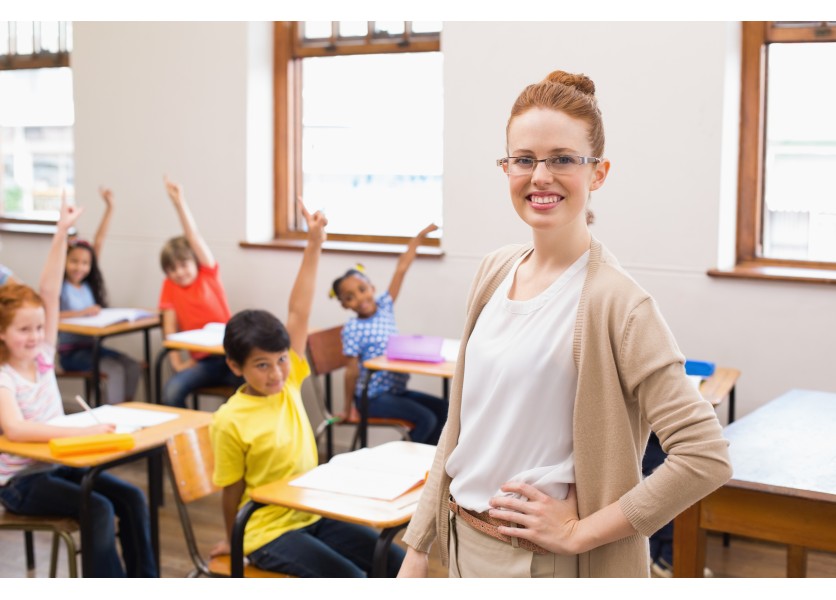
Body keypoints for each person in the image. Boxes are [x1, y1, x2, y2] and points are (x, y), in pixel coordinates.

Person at [397, 70, 732, 578]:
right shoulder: (493, 271)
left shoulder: (619, 303)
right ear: (506, 167)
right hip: (460, 543)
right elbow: (461, 426)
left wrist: (580, 532)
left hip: (542, 563)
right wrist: (418, 549)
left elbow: (705, 455)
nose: (540, 176)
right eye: (524, 159)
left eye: (562, 159)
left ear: (598, 173)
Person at [209, 203, 405, 577]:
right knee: (354, 580)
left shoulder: (289, 380)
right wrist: (234, 540)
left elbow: (298, 312)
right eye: (261, 365)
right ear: (235, 366)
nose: (275, 374)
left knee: (396, 564)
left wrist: (314, 242)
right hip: (267, 532)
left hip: (310, 511)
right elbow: (231, 492)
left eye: (281, 359)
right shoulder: (229, 420)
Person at [0, 196, 157, 578]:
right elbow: (15, 430)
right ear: (2, 333)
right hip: (20, 483)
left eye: (39, 328)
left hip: (57, 464)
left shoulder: (42, 356)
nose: (35, 336)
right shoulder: (4, 375)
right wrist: (82, 431)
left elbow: (49, 292)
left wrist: (60, 235)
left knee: (133, 497)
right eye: (23, 330)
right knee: (99, 509)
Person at [331, 223, 448, 445]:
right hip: (372, 397)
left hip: (396, 390)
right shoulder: (353, 329)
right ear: (344, 305)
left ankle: (429, 461)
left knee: (445, 409)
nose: (360, 298)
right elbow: (351, 371)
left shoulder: (385, 306)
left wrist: (419, 237)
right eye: (350, 297)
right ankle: (407, 460)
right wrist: (349, 408)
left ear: (372, 288)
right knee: (427, 420)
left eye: (362, 290)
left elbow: (401, 268)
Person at [158, 176, 242, 407]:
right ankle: (185, 431)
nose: (179, 272)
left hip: (231, 357)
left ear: (195, 262)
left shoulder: (208, 274)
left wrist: (179, 203)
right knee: (172, 391)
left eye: (183, 265)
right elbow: (169, 327)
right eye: (172, 269)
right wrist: (177, 362)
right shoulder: (169, 286)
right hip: (204, 362)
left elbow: (193, 237)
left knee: (251, 387)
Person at [58, 186, 141, 404]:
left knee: (132, 366)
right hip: (71, 353)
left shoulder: (87, 286)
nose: (80, 267)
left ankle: (125, 408)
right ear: (64, 261)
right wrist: (82, 313)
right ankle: (113, 413)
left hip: (93, 347)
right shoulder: (59, 286)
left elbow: (99, 241)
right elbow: (51, 317)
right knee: (115, 370)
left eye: (85, 263)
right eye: (74, 261)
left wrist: (110, 208)